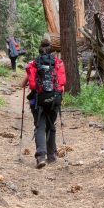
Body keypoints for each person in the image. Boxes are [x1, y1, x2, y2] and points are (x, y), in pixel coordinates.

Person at [20, 39, 66, 168]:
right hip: (54, 100)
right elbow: (62, 84)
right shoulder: (58, 63)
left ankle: (40, 156)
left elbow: (23, 84)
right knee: (51, 126)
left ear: (39, 51)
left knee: (40, 126)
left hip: (37, 100)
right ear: (52, 51)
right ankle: (51, 156)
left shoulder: (34, 63)